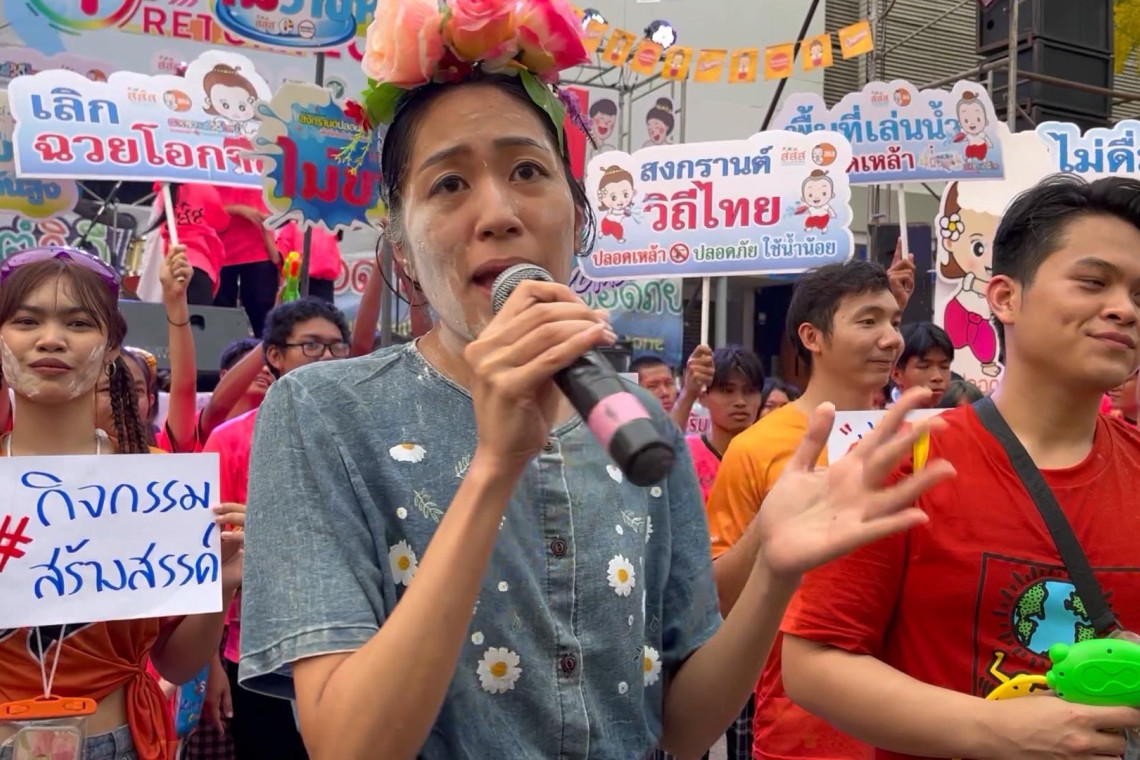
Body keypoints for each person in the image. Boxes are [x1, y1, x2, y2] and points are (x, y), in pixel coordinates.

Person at [235, 9, 953, 759]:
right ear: (404, 251)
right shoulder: (323, 413)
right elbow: (347, 745)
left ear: (578, 216)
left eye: (527, 171)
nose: (499, 213)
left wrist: (770, 568)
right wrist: (493, 469)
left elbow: (683, 727)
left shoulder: (635, 420)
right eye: (448, 183)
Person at [781, 175, 1140, 760]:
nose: (1124, 309)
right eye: (1094, 282)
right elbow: (813, 662)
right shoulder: (906, 459)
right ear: (1004, 298)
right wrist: (995, 730)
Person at [0, 246, 244, 760]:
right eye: (26, 320)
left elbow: (176, 664)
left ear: (111, 346)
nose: (51, 339)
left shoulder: (155, 488)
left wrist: (220, 586)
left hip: (118, 742)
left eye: (78, 323)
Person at [704, 259, 907, 759]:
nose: (891, 339)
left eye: (894, 321)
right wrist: (771, 531)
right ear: (812, 336)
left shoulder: (919, 439)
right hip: (800, 726)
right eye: (868, 321)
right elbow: (716, 600)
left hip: (920, 718)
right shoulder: (756, 448)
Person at [203, 297, 349, 760]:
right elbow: (208, 557)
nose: (326, 358)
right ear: (274, 356)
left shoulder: (361, 437)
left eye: (336, 347)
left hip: (348, 643)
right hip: (255, 651)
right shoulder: (229, 439)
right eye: (311, 345)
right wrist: (210, 663)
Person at [890, 322, 953, 407]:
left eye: (944, 367)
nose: (938, 377)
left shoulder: (957, 411)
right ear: (896, 374)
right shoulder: (879, 414)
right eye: (924, 367)